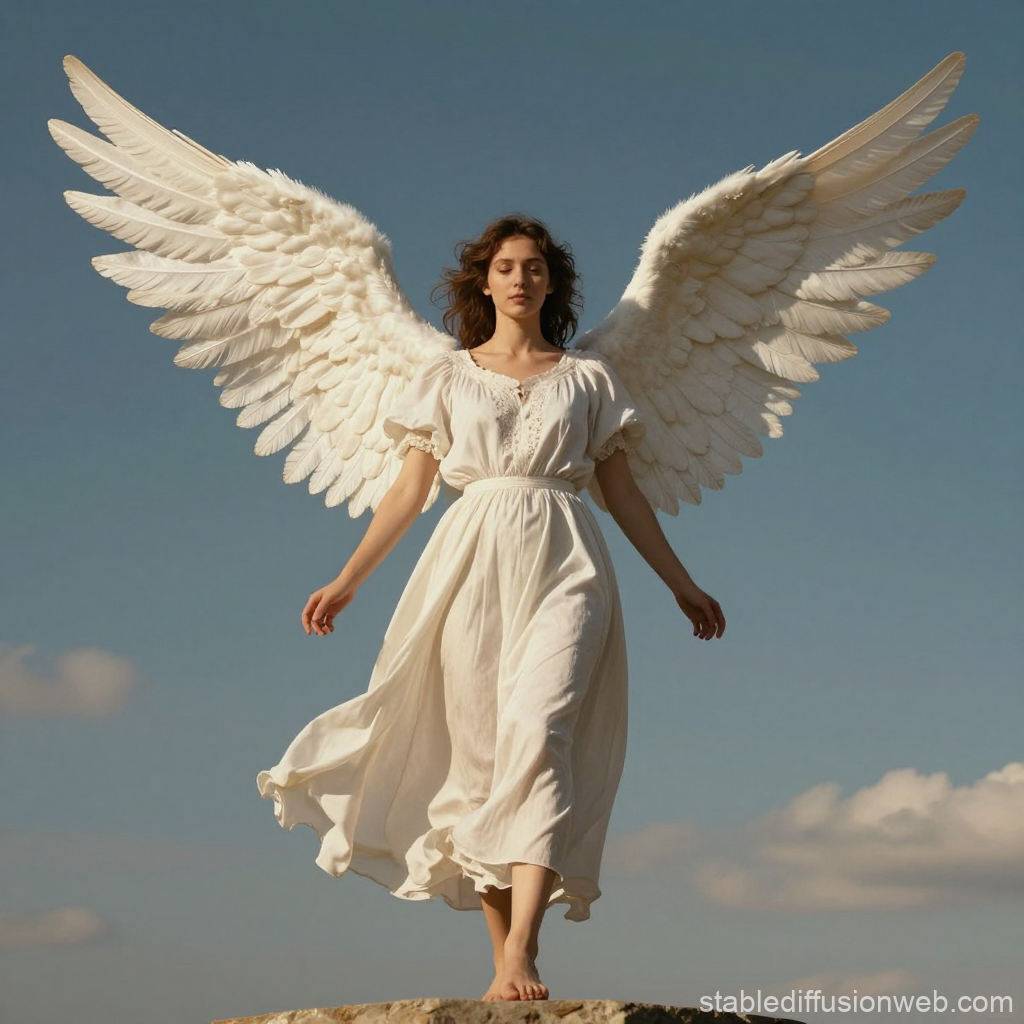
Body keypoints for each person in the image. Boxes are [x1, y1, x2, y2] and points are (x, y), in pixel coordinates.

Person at [257, 214, 726, 1003]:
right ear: (484, 280)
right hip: (470, 560)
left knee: (541, 734)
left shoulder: (589, 379)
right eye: (506, 266)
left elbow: (622, 494)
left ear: (552, 281)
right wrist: (347, 579)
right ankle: (501, 955)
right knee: (479, 758)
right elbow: (409, 490)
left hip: (566, 556)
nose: (520, 278)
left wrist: (681, 583)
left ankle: (524, 949)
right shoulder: (445, 377)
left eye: (535, 266)